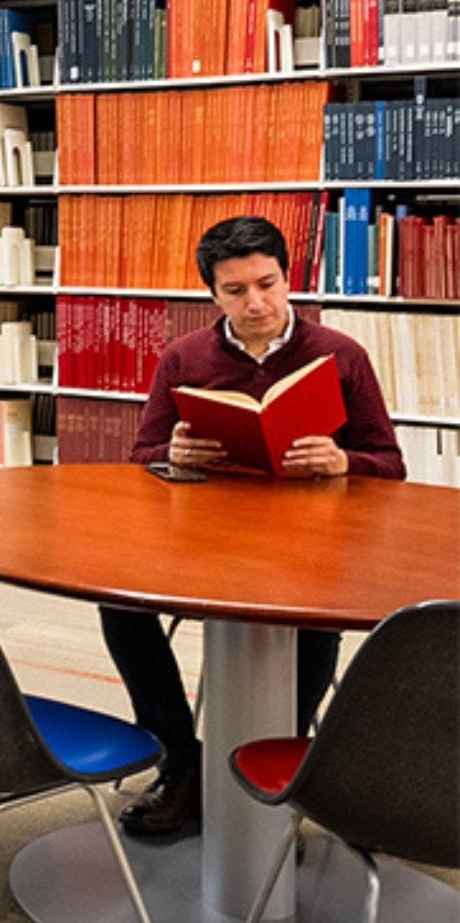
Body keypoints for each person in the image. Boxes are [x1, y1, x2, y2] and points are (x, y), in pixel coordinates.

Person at [108, 215, 406, 837]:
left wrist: (343, 460)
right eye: (236, 291)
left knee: (317, 615)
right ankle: (178, 759)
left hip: (312, 539)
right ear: (212, 294)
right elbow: (141, 457)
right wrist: (172, 455)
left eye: (267, 284)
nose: (256, 303)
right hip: (208, 537)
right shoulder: (185, 356)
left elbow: (391, 465)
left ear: (287, 278)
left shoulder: (340, 354)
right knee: (119, 603)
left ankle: (270, 774)